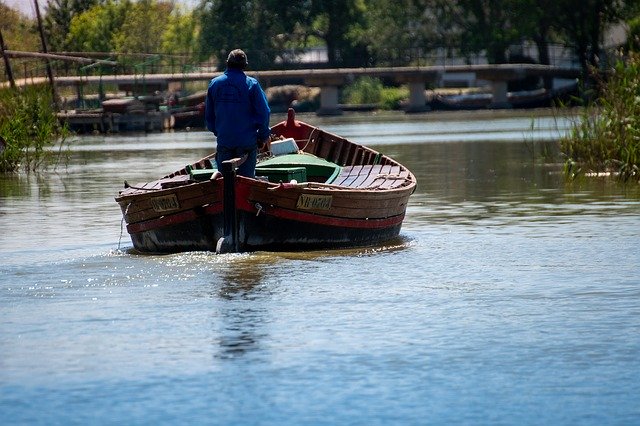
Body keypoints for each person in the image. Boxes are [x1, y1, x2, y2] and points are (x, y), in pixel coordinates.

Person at [205, 49, 271, 178]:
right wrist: (263, 137)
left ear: (227, 63)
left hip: (225, 141)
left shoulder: (214, 84)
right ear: (245, 66)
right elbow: (264, 113)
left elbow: (209, 117)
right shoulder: (252, 84)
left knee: (224, 182)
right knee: (246, 181)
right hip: (247, 143)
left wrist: (219, 132)